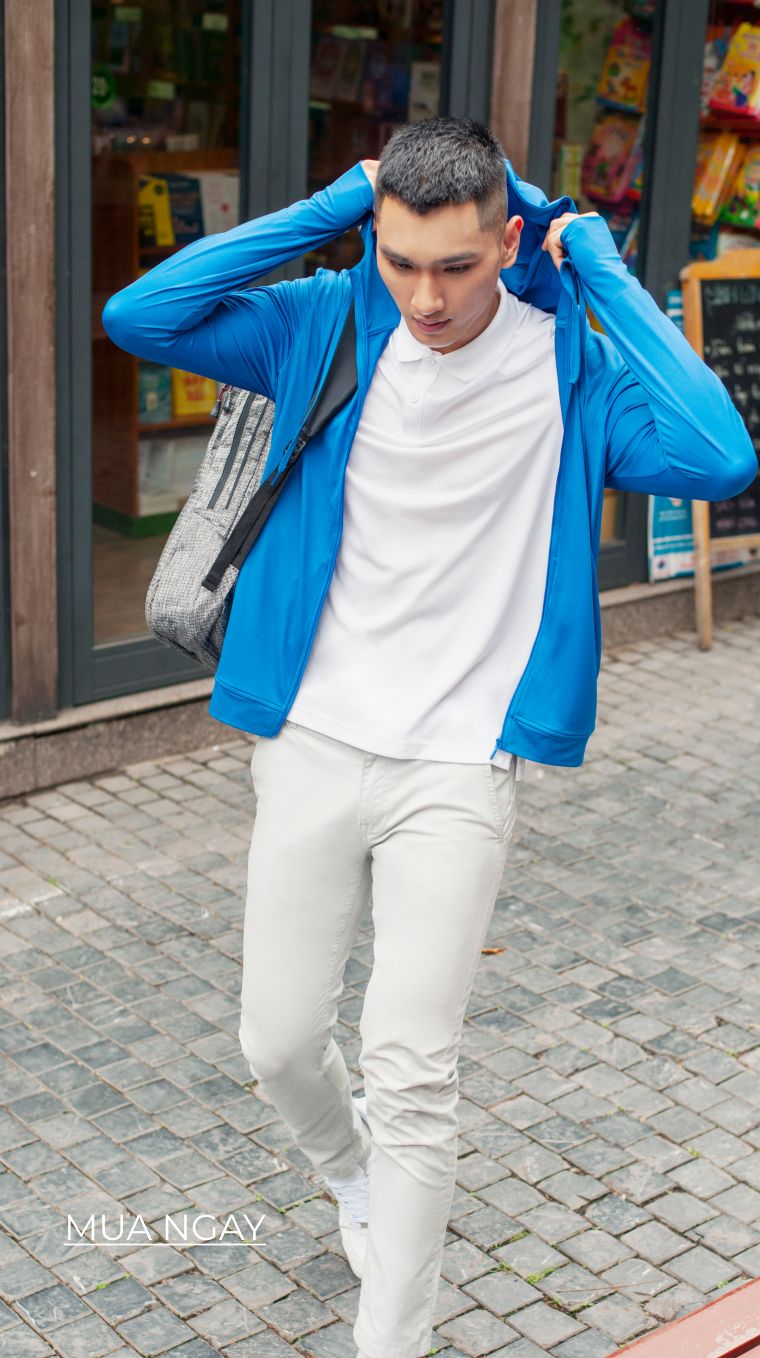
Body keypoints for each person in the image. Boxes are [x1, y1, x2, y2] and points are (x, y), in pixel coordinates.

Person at [103, 117, 756, 1358]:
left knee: (412, 1064)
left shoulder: (569, 370)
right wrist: (332, 205)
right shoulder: (325, 324)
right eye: (401, 260)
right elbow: (144, 313)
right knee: (278, 1038)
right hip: (310, 740)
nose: (426, 295)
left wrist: (598, 264)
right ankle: (349, 1172)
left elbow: (720, 455)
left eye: (456, 265)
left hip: (458, 763)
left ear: (507, 242)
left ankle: (388, 1335)